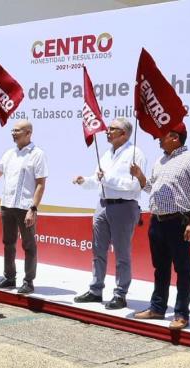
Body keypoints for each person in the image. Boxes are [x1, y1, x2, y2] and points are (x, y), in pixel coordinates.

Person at [129, 122, 190, 330]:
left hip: (178, 222)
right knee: (160, 268)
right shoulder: (161, 161)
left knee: (183, 269)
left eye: (162, 136)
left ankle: (182, 314)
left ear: (174, 137)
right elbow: (151, 189)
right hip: (157, 221)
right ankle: (157, 308)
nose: (158, 139)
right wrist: (139, 176)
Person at [72, 117, 147, 310]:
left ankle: (120, 294)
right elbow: (98, 179)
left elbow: (134, 186)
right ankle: (96, 290)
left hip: (124, 206)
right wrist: (85, 181)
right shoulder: (107, 154)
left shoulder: (135, 154)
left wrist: (107, 179)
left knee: (122, 252)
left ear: (124, 134)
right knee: (98, 250)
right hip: (102, 205)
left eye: (112, 129)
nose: (107, 131)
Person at [0, 120, 48, 294]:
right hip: (7, 205)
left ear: (28, 133)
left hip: (25, 207)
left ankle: (28, 281)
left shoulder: (37, 154)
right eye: (12, 130)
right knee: (8, 243)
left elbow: (40, 184)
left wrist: (33, 208)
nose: (13, 133)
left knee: (29, 245)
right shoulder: (9, 154)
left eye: (17, 130)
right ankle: (9, 277)